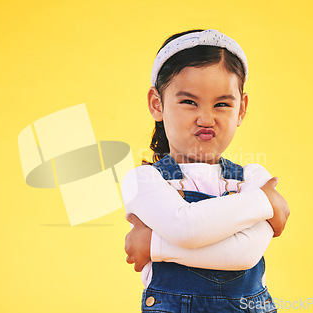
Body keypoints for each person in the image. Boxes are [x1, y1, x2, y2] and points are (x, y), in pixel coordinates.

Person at [121, 29, 290, 312]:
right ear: (157, 104)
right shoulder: (144, 181)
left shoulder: (253, 177)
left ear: (241, 109)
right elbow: (186, 228)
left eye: (222, 104)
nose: (206, 118)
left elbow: (245, 253)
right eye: (189, 102)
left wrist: (155, 246)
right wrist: (264, 201)